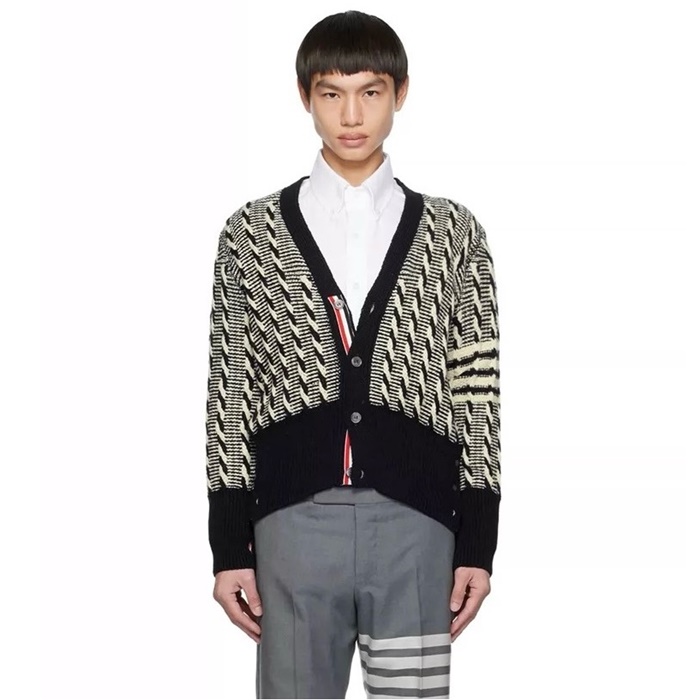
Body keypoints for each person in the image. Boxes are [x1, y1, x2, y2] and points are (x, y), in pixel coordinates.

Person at [205, 10, 501, 699]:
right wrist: (227, 543)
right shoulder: (251, 233)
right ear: (305, 96)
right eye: (331, 93)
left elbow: (478, 389)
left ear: (401, 93)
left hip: (418, 522)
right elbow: (229, 387)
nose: (351, 115)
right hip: (290, 522)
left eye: (370, 92)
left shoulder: (453, 232)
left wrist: (478, 539)